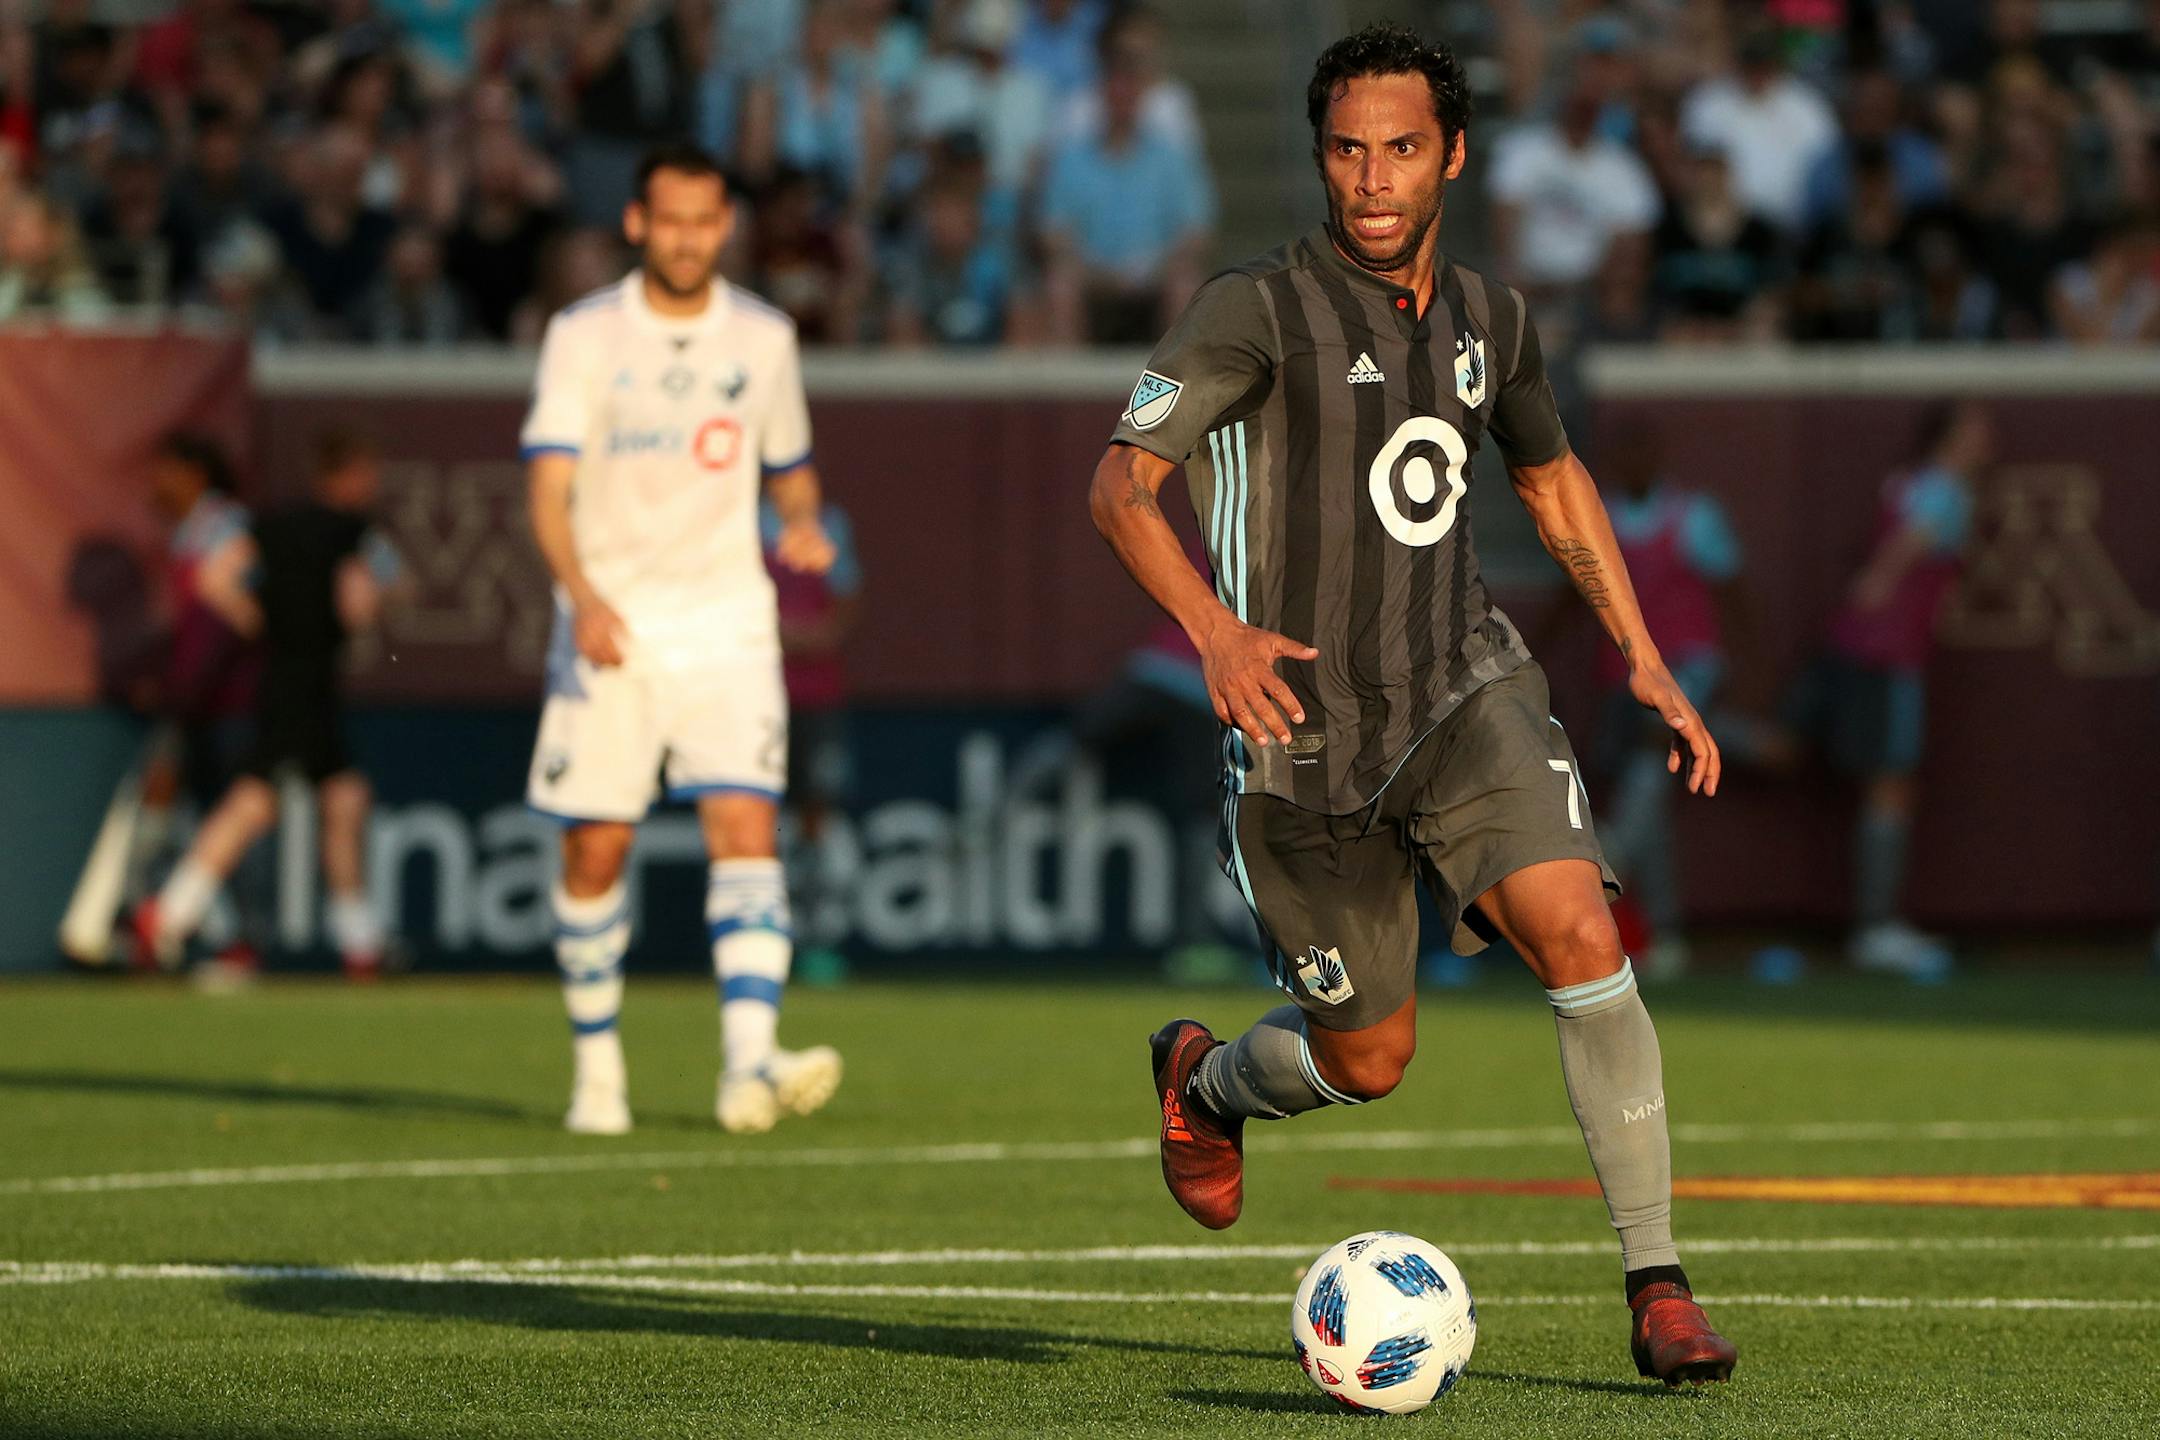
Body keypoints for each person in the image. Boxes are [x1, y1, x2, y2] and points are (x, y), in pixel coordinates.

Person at [1086, 24, 1736, 1387]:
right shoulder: (1252, 310)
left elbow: (1552, 483)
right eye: (1344, 150)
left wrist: (1643, 656)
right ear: (1320, 159)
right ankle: (1206, 1083)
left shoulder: (1495, 321)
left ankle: (1659, 1281)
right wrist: (1209, 628)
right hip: (1302, 741)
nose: (1371, 181)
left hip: (1463, 688)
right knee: (1370, 1056)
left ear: (1450, 156)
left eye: (1399, 149)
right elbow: (1120, 486)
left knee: (1579, 927)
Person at [522, 140, 844, 1138]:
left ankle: (747, 1065)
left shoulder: (764, 338)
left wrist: (798, 517)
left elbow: (790, 465)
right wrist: (579, 593)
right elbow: (547, 487)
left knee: (747, 829)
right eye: (671, 220)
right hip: (611, 618)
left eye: (706, 220)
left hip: (727, 623)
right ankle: (597, 1070)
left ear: (725, 228)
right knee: (595, 847)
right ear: (636, 223)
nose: (689, 238)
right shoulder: (583, 335)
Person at [133, 427, 406, 983]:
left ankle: (359, 940)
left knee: (342, 798)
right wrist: (341, 618)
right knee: (257, 804)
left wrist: (261, 620)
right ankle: (168, 914)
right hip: (305, 687)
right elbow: (378, 593)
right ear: (352, 475)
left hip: (284, 680)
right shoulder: (355, 533)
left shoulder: (271, 525)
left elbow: (215, 578)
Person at [1785, 402, 1990, 980]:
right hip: (1887, 655)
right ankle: (1876, 929)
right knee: (1890, 780)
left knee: (1863, 771)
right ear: (1950, 437)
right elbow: (1912, 544)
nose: (1987, 441)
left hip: (1873, 648)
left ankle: (1877, 925)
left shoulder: (1910, 484)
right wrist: (1882, 579)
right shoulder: (1942, 490)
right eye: (1977, 429)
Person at [1586, 419, 1748, 979]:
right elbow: (1570, 596)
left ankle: (1603, 859)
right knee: (1647, 780)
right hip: (1626, 681)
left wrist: (1753, 678)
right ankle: (1664, 930)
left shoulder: (1693, 516)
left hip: (1687, 669)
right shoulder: (1597, 516)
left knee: (1658, 748)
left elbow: (1734, 597)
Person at [760, 491, 861, 973]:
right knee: (753, 820)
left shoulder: (829, 526)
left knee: (817, 816)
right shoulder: (738, 523)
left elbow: (845, 605)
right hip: (757, 700)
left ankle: (818, 940)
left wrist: (816, 635)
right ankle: (759, 943)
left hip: (818, 700)